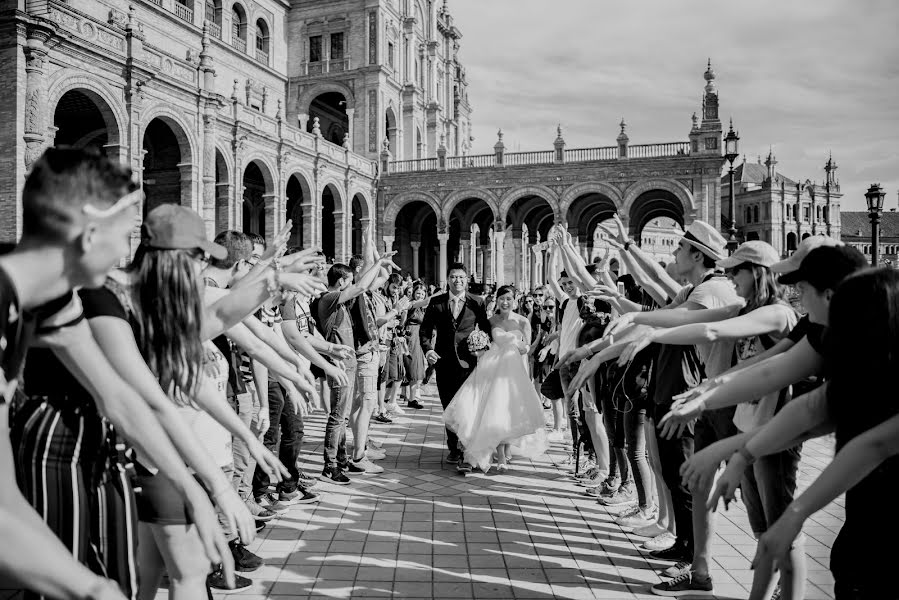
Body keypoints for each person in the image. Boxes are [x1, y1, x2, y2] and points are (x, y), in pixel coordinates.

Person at [443, 285, 548, 472]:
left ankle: (506, 450)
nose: (505, 302)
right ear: (496, 300)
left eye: (509, 298)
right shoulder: (490, 321)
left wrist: (521, 349)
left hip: (514, 372)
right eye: (502, 298)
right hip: (492, 370)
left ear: (515, 300)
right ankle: (497, 454)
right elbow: (485, 342)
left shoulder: (523, 321)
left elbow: (528, 349)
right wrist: (478, 350)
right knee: (493, 409)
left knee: (510, 412)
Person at [419, 262, 492, 471]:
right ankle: (453, 446)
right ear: (447, 279)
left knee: (466, 407)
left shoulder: (476, 302)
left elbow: (485, 328)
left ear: (466, 279)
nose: (457, 280)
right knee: (448, 406)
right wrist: (428, 350)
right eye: (453, 277)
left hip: (468, 363)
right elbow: (425, 330)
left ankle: (464, 448)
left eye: (461, 277)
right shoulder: (437, 302)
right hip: (443, 363)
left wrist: (482, 347)